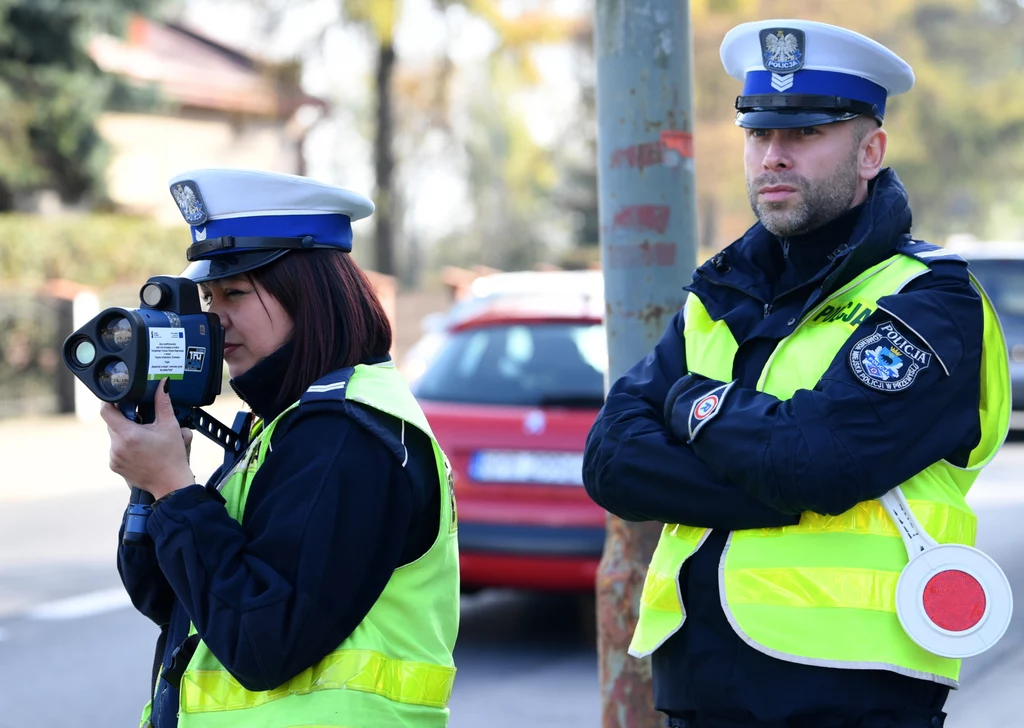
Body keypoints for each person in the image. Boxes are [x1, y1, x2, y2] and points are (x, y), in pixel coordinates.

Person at [582, 19, 1010, 728]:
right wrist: (774, 483)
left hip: (850, 695)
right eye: (759, 134)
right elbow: (612, 463)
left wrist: (690, 404)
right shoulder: (719, 294)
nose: (772, 156)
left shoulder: (930, 301)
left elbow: (816, 463)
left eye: (805, 134)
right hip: (696, 691)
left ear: (870, 150)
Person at [102, 168, 460, 728]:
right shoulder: (286, 422)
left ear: (311, 295)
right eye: (207, 296)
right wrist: (153, 488)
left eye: (236, 293)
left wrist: (176, 488)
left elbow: (261, 642)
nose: (214, 319)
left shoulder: (346, 435)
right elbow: (172, 603)